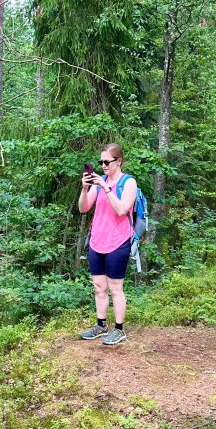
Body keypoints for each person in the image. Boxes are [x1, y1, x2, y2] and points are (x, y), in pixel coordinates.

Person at [78, 142, 137, 345]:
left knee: (115, 288)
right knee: (98, 287)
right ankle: (101, 325)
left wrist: (106, 188)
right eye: (100, 162)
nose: (103, 165)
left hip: (118, 242)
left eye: (107, 162)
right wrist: (85, 189)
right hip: (97, 241)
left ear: (119, 161)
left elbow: (121, 209)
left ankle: (119, 330)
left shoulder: (128, 182)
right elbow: (83, 208)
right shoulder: (100, 181)